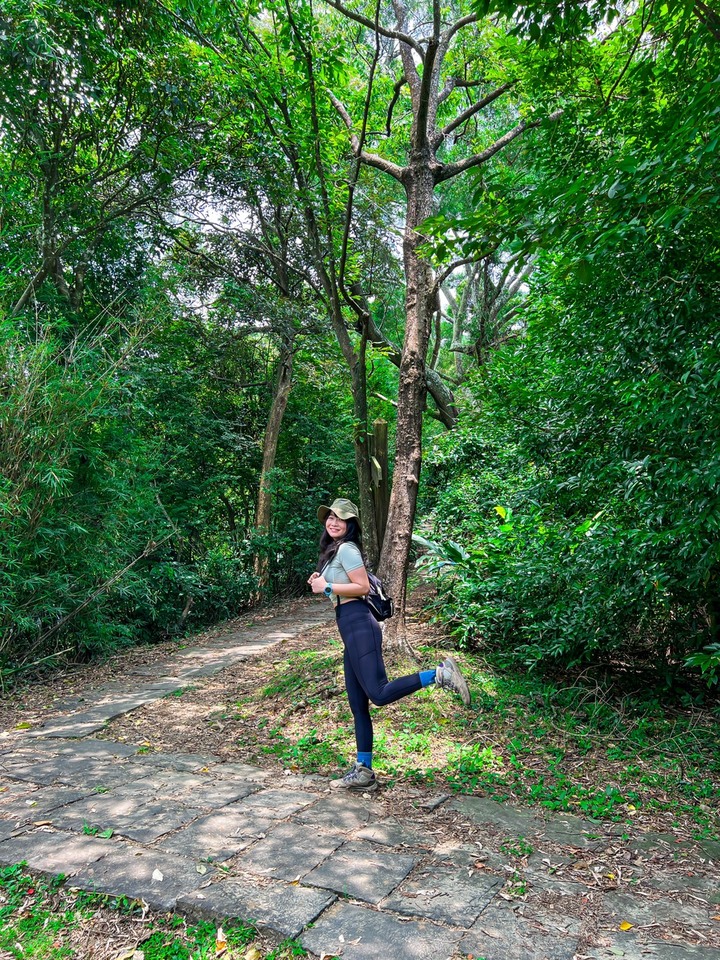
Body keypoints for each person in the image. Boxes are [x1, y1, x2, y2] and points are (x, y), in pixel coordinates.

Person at [308, 496, 471, 793]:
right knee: (358, 705)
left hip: (359, 623)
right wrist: (323, 581)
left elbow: (363, 587)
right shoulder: (334, 552)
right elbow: (344, 585)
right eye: (330, 517)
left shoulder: (347, 548)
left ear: (350, 525)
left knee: (379, 694)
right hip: (349, 627)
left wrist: (328, 586)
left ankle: (438, 675)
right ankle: (364, 771)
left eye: (340, 519)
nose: (333, 522)